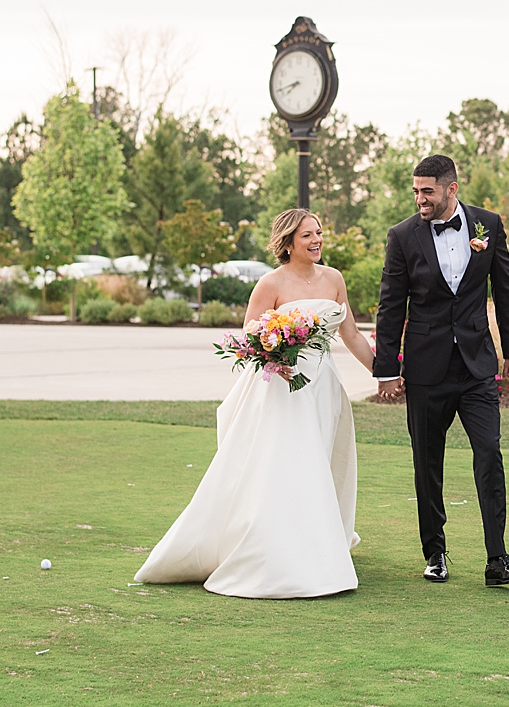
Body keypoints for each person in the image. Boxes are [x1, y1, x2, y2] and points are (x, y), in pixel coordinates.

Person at [135, 208, 374, 598]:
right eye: (307, 236)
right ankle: (275, 549)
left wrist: (384, 374)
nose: (316, 241)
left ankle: (317, 538)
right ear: (288, 242)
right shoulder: (270, 282)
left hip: (323, 389)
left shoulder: (334, 279)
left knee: (322, 462)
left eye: (318, 233)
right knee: (288, 463)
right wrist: (276, 351)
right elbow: (251, 333)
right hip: (281, 390)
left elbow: (350, 334)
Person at [373, 154, 509, 587]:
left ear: (451, 189)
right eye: (416, 191)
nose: (420, 199)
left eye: (428, 191)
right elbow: (390, 304)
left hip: (477, 365)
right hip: (425, 367)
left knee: (490, 454)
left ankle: (497, 559)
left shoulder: (488, 225)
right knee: (427, 463)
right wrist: (387, 369)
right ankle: (435, 553)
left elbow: (505, 288)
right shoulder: (402, 236)